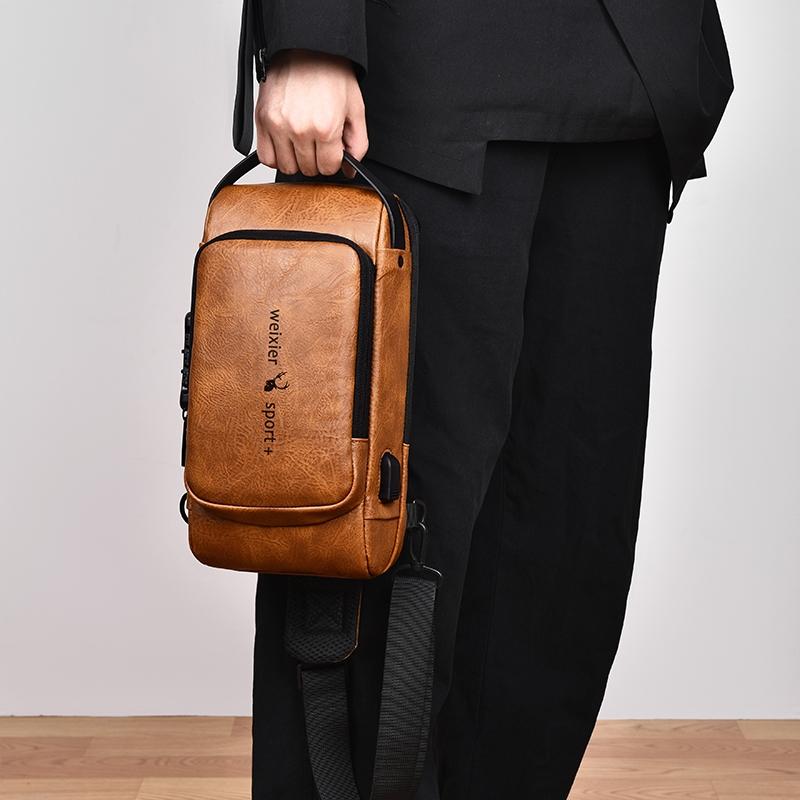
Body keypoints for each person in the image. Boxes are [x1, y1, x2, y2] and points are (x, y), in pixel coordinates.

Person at [231, 1, 734, 797]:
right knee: (371, 540)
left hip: (628, 83)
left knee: (564, 552)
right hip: (418, 79)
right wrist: (310, 34)